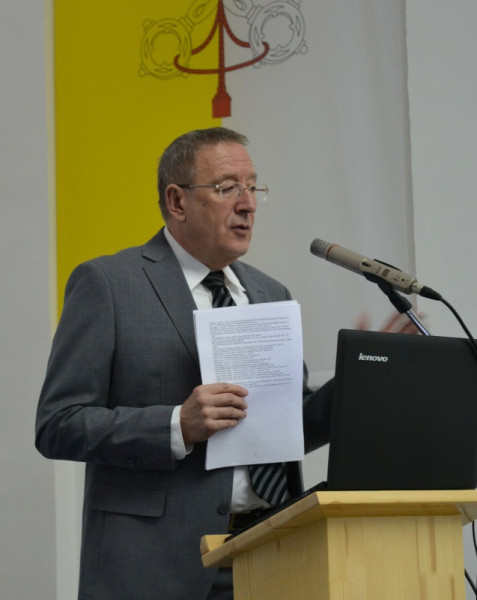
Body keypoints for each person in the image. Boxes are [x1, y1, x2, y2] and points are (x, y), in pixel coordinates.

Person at [35, 127, 416, 600]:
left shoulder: (269, 293)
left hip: (272, 553)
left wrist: (360, 381)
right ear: (177, 201)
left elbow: (286, 427)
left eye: (253, 187)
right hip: (156, 563)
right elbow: (58, 424)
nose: (248, 204)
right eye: (226, 188)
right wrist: (177, 425)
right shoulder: (109, 285)